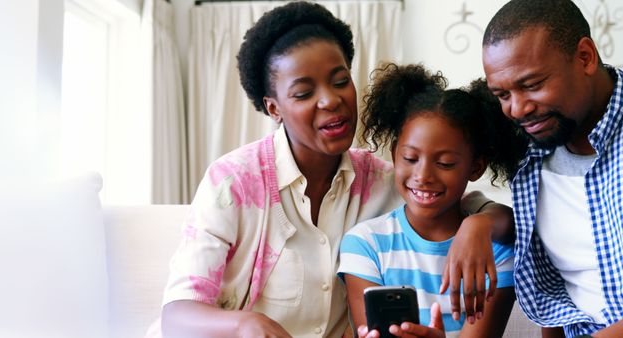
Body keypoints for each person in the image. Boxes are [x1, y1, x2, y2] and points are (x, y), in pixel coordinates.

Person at [158, 2, 512, 338]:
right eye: (303, 92)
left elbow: (480, 209)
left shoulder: (384, 179)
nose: (330, 100)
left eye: (340, 81)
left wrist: (479, 224)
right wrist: (244, 324)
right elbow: (176, 314)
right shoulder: (233, 181)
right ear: (273, 107)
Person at [338, 63, 526, 338]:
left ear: (475, 167)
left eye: (445, 163)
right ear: (393, 155)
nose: (423, 175)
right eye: (410, 159)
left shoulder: (495, 251)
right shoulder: (365, 244)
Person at [481, 0, 623, 337]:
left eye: (532, 85)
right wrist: (481, 222)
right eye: (502, 94)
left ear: (585, 57)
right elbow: (556, 302)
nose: (517, 109)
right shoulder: (530, 157)